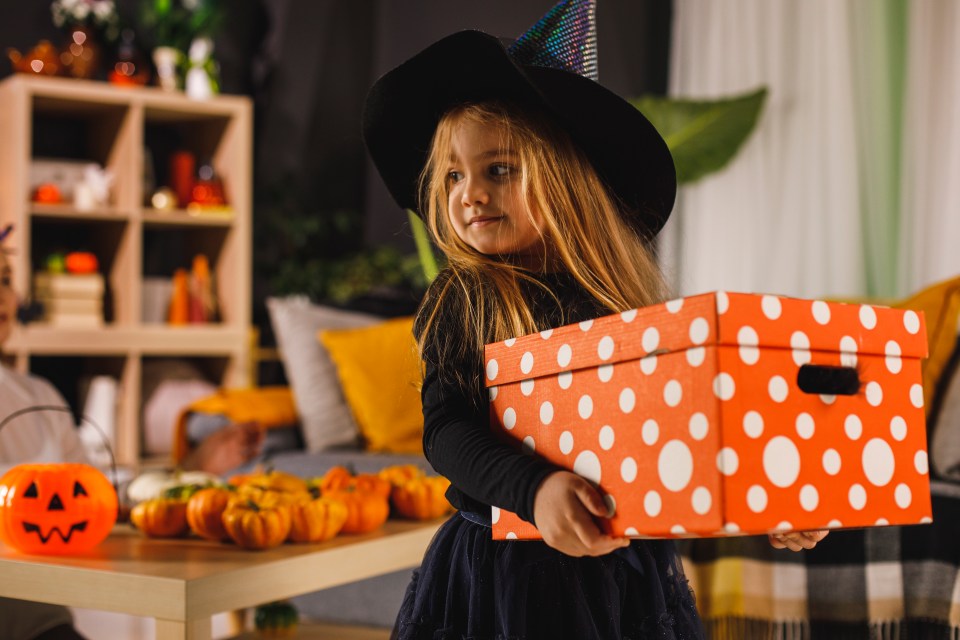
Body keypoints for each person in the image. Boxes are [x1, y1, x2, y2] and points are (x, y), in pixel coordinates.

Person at [361, 1, 827, 638]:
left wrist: (766, 499)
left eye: (498, 169)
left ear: (565, 180)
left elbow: (681, 436)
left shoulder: (619, 306)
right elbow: (446, 429)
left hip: (621, 578)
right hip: (504, 580)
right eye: (452, 177)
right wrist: (533, 490)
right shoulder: (464, 296)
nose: (469, 193)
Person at [0, 236, 88, 640]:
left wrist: (190, 468)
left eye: (5, 278)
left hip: (43, 627)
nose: (4, 295)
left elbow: (97, 495)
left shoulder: (41, 397)